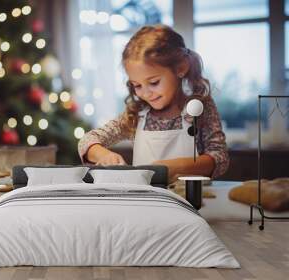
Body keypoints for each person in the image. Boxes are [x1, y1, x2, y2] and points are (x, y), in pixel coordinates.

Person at [77, 24, 229, 182]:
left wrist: (176, 167)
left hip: (191, 201)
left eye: (154, 82)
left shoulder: (199, 107)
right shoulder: (136, 114)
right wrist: (105, 155)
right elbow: (87, 140)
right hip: (147, 202)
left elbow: (220, 157)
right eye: (137, 85)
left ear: (181, 68)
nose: (146, 93)